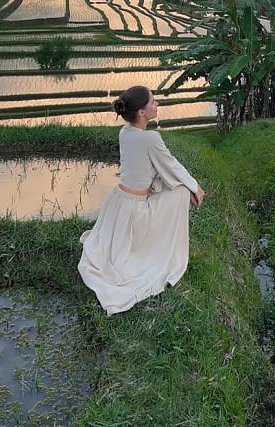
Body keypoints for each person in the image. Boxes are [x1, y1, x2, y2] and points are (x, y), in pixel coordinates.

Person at [77, 85, 204, 316]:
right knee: (182, 192)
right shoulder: (150, 138)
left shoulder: (125, 133)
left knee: (172, 186)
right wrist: (195, 187)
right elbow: (170, 164)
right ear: (142, 112)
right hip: (136, 211)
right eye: (153, 102)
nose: (157, 105)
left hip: (117, 203)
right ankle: (158, 246)